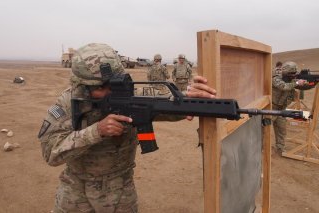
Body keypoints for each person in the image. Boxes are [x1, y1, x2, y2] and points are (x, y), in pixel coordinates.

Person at [38, 43, 216, 213]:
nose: (111, 92)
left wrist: (191, 98)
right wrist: (96, 131)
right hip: (75, 193)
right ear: (82, 87)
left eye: (114, 84)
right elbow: (51, 153)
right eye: (101, 88)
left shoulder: (128, 93)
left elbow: (166, 105)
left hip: (120, 191)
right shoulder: (67, 104)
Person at [272, 61, 307, 155]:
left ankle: (280, 149)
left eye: (294, 73)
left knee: (281, 131)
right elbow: (283, 87)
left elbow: (301, 88)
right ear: (285, 71)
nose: (293, 75)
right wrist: (296, 82)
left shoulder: (292, 80)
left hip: (282, 110)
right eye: (291, 73)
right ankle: (261, 149)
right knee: (264, 130)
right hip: (271, 109)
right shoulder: (276, 78)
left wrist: (309, 83)